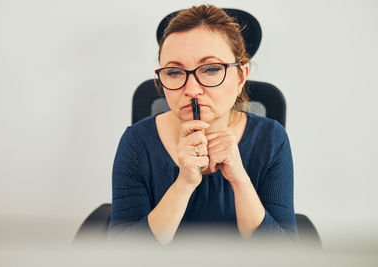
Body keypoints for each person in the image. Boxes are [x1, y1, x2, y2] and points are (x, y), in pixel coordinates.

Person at [109, 5, 297, 244]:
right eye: (175, 72)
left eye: (210, 69)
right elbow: (122, 253)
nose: (192, 90)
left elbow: (284, 254)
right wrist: (184, 184)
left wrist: (239, 180)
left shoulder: (271, 139)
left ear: (240, 77)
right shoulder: (136, 142)